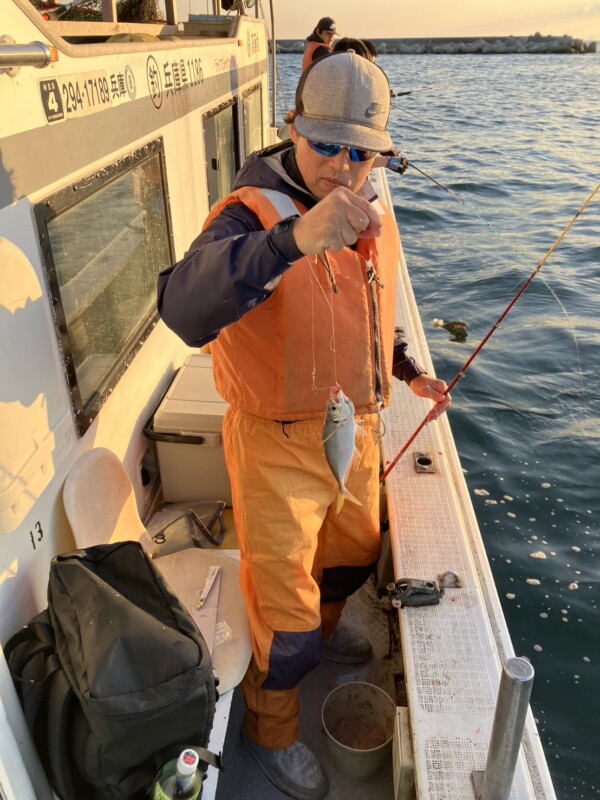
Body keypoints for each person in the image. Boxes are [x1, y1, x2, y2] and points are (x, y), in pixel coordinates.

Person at [157, 52, 450, 800]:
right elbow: (182, 308)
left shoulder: (368, 206)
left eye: (362, 152)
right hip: (274, 443)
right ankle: (272, 729)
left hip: (354, 428)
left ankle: (327, 628)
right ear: (293, 129)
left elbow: (366, 312)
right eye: (326, 145)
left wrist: (409, 369)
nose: (342, 166)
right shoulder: (246, 214)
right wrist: (291, 241)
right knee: (283, 609)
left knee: (352, 558)